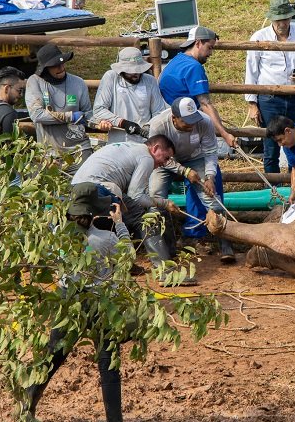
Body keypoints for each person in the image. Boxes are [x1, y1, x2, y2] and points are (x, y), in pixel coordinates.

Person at [23, 183, 131, 421]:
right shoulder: (105, 239)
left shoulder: (57, 239)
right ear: (93, 214)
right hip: (103, 305)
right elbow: (128, 257)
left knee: (52, 357)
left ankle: (26, 409)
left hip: (68, 301)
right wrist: (120, 224)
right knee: (108, 365)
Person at [71, 135, 185, 281]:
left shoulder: (131, 147)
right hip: (98, 186)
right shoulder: (147, 157)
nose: (165, 163)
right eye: (166, 157)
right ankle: (167, 273)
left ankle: (124, 264)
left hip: (76, 187)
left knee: (114, 219)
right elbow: (136, 196)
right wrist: (164, 203)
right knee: (143, 218)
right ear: (155, 148)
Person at [148, 97, 235, 263]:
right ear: (174, 118)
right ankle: (165, 246)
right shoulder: (158, 125)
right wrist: (184, 171)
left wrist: (210, 176)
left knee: (211, 197)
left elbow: (210, 151)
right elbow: (157, 157)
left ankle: (225, 242)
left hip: (195, 158)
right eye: (186, 122)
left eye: (193, 120)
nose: (192, 125)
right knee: (155, 197)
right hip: (164, 163)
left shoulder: (205, 121)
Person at [244, 0, 295, 173]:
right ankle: (273, 188)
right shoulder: (259, 38)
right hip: (269, 99)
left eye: (285, 19)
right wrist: (252, 103)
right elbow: (251, 71)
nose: (282, 23)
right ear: (271, 19)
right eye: (278, 19)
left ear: (290, 18)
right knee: (271, 146)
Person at [25, 43, 109, 173]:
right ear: (45, 68)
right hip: (50, 153)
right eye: (55, 65)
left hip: (80, 149)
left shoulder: (78, 83)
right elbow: (37, 115)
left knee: (85, 186)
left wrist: (99, 122)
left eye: (63, 63)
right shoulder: (35, 82)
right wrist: (70, 116)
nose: (61, 67)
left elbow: (86, 113)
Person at [158, 25, 237, 149]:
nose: (210, 53)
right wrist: (224, 134)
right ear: (198, 43)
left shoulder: (176, 60)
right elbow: (205, 104)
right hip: (185, 123)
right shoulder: (193, 67)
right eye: (209, 48)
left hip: (169, 120)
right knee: (206, 157)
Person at [92, 47, 167, 144]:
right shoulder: (111, 78)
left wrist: (149, 126)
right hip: (119, 141)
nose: (135, 74)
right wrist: (122, 123)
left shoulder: (150, 81)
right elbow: (99, 110)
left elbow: (159, 111)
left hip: (145, 141)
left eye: (138, 70)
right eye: (130, 71)